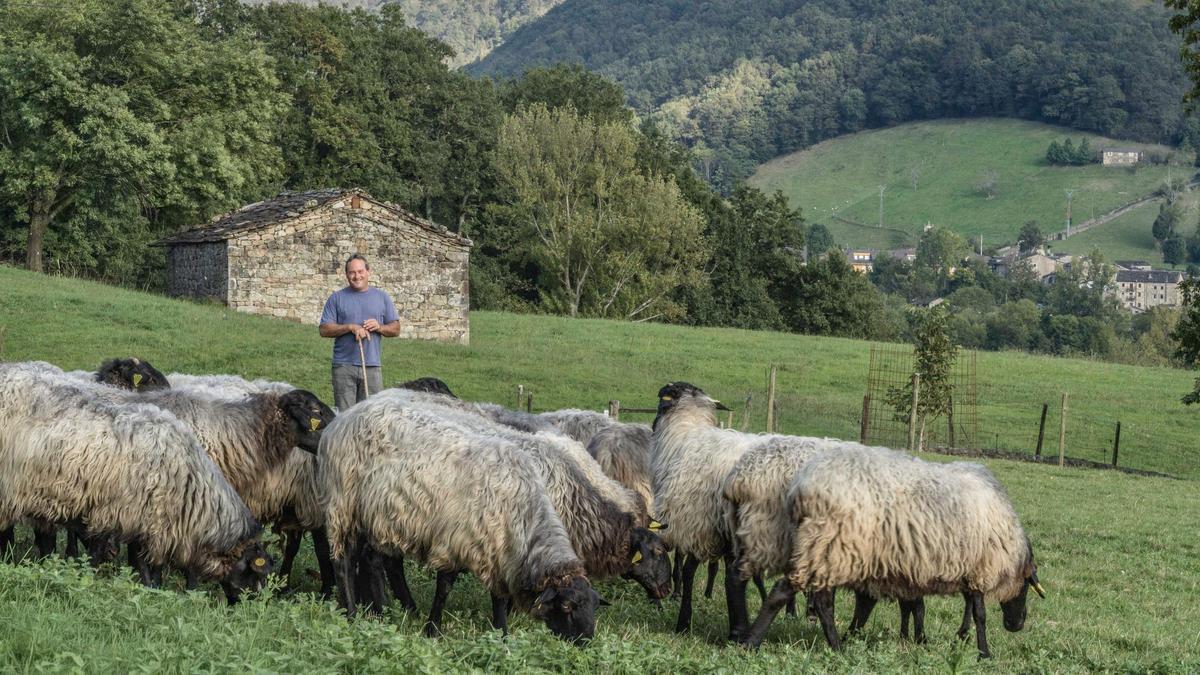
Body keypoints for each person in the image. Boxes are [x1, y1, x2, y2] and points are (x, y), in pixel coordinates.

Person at [319, 254, 400, 411]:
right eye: (352, 272)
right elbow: (324, 329)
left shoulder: (382, 297)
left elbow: (396, 329)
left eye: (360, 271)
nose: (357, 276)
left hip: (372, 366)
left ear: (368, 271)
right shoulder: (336, 298)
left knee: (372, 414)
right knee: (345, 416)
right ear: (347, 275)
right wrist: (350, 327)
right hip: (343, 366)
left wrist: (379, 327)